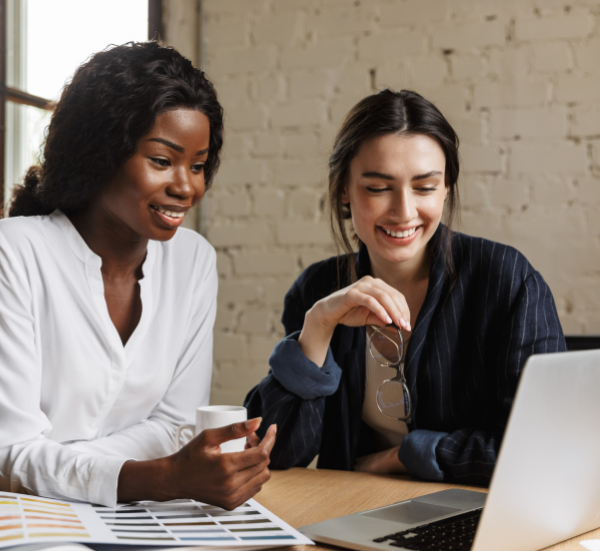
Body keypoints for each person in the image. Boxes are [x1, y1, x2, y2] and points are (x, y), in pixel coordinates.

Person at [0, 41, 275, 509]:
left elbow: (176, 426)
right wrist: (163, 477)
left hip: (134, 521)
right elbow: (9, 452)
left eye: (199, 165)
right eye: (162, 161)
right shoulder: (14, 254)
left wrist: (59, 466)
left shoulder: (193, 261)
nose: (186, 187)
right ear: (100, 152)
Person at [245, 89, 565, 485]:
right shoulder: (317, 288)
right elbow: (276, 454)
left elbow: (545, 446)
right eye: (378, 188)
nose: (404, 211)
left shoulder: (506, 280)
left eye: (425, 187)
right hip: (352, 513)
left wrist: (404, 456)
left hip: (474, 515)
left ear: (447, 187)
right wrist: (317, 329)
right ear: (344, 189)